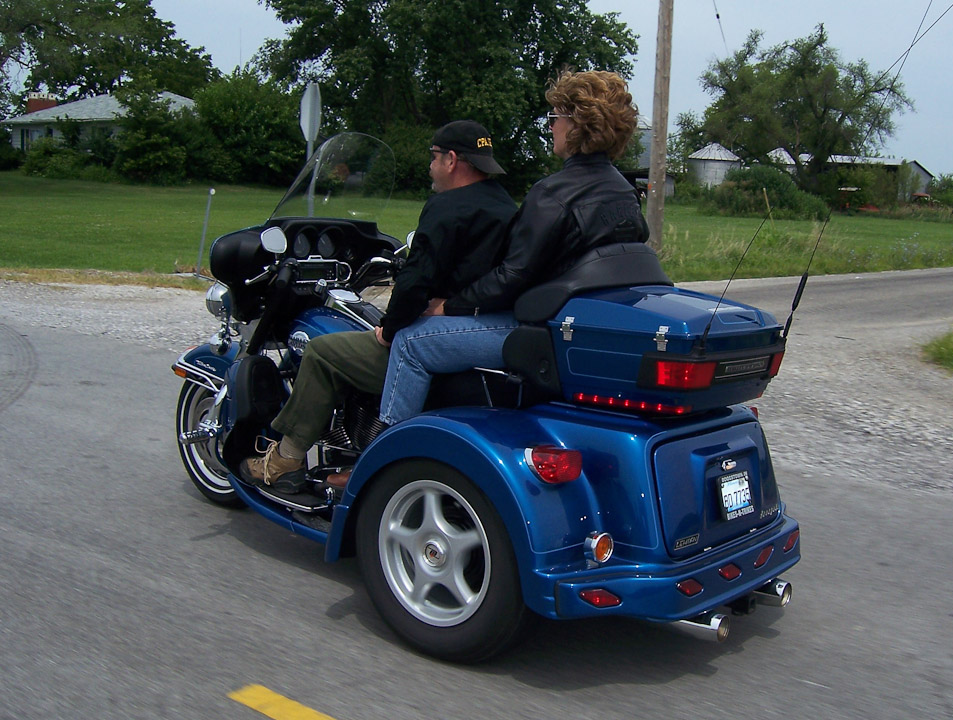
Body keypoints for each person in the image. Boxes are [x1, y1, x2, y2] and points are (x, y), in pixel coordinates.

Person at [240, 120, 517, 489]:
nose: (429, 166)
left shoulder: (447, 206)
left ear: (452, 160)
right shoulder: (505, 204)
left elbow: (416, 281)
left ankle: (284, 460)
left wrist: (389, 328)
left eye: (433, 157)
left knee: (322, 353)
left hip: (438, 340)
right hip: (482, 334)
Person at [378, 70, 648, 427]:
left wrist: (450, 305)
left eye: (555, 117)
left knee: (409, 343)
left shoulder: (552, 194)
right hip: (582, 324)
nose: (550, 126)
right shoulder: (624, 193)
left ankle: (386, 451)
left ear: (577, 124)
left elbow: (511, 275)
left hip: (538, 328)